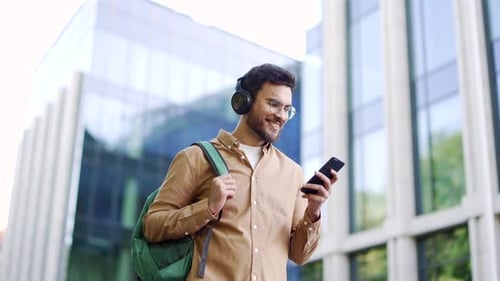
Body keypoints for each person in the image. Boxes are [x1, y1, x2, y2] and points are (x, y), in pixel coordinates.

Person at [143, 63, 338, 281]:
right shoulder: (195, 158)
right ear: (244, 102)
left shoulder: (292, 173)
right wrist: (207, 208)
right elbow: (152, 226)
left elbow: (299, 256)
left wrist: (313, 212)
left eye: (287, 109)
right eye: (274, 104)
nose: (281, 116)